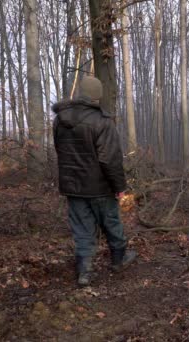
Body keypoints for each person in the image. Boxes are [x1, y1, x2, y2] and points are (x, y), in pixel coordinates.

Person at [52, 75, 136, 286]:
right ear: (97, 96)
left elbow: (60, 151)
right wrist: (119, 187)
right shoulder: (102, 121)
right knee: (111, 223)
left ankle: (84, 273)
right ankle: (119, 260)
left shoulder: (59, 120)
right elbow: (110, 159)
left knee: (82, 230)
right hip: (100, 188)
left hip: (73, 187)